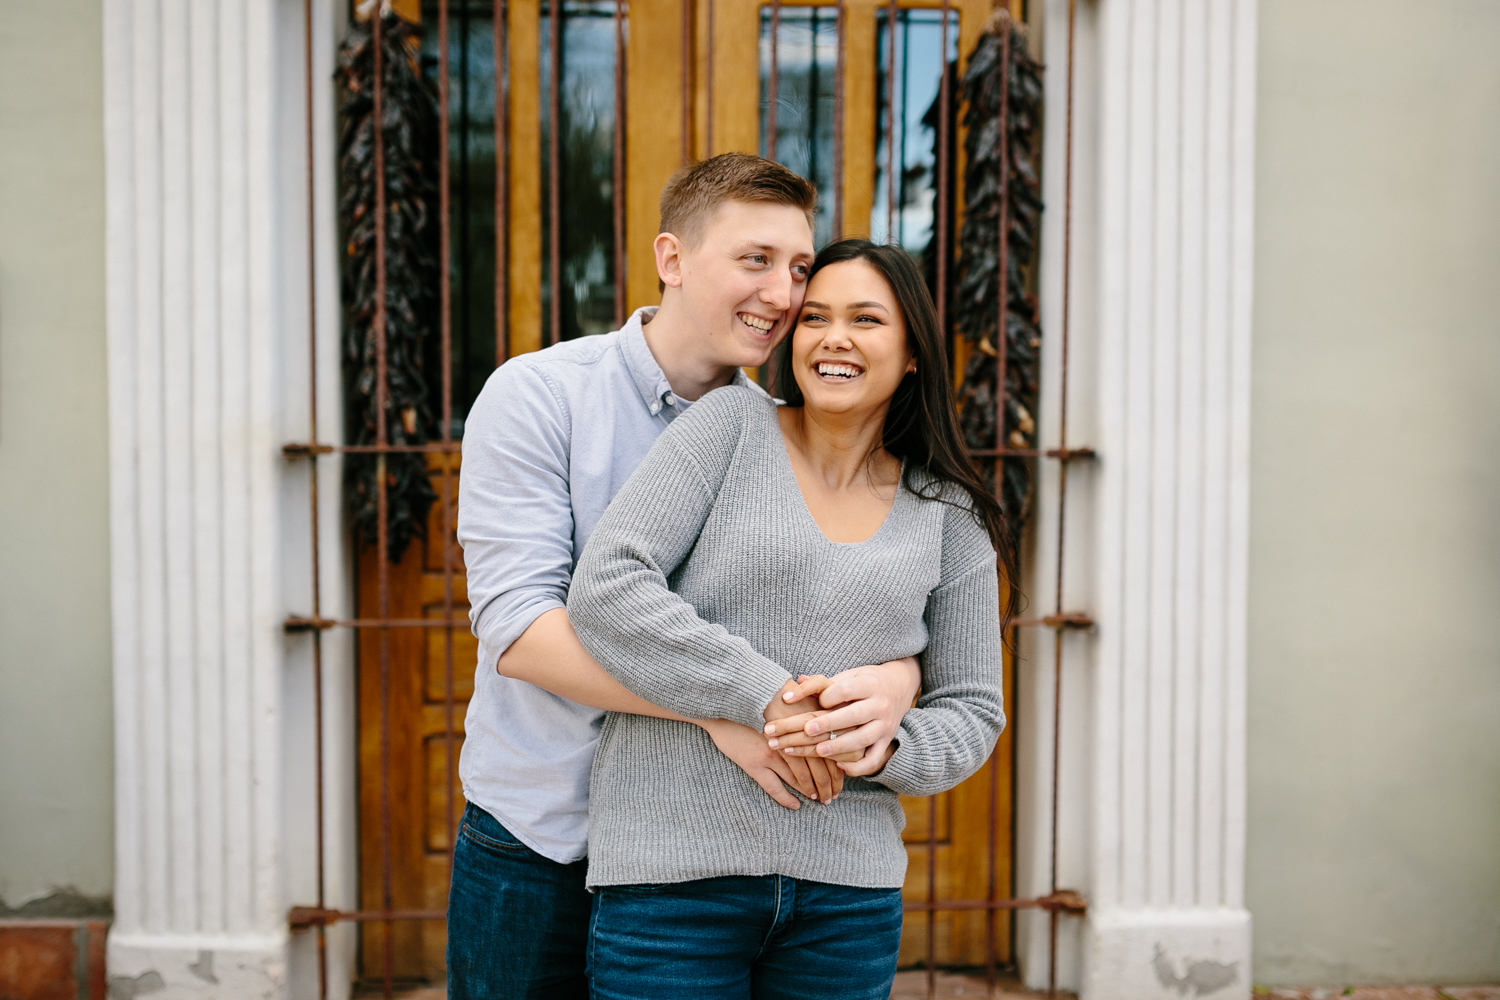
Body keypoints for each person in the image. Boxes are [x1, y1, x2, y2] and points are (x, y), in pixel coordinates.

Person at [450, 156, 923, 999]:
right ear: (672, 259)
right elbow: (521, 632)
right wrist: (729, 709)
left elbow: (839, 603)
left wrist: (900, 672)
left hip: (700, 861)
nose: (783, 294)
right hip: (543, 837)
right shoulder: (538, 396)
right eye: (755, 259)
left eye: (799, 268)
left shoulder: (790, 431)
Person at [568, 238, 1014, 1000]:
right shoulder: (729, 428)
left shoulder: (948, 513)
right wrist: (766, 695)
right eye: (815, 318)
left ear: (911, 353)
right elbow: (607, 585)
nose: (834, 337)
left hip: (845, 900)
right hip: (672, 882)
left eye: (866, 319)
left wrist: (878, 744)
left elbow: (974, 712)